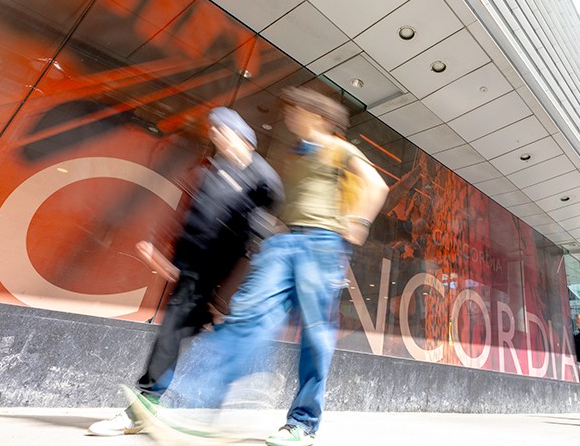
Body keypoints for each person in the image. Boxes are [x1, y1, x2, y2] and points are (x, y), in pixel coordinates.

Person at [137, 86, 390, 446]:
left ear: (316, 116)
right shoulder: (297, 155)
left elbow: (376, 185)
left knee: (316, 337)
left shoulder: (340, 149)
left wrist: (359, 222)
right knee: (247, 316)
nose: (288, 117)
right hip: (285, 243)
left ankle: (303, 424)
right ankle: (193, 406)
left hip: (322, 244)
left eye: (295, 111)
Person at [88, 107, 283, 436]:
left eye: (223, 129)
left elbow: (259, 234)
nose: (216, 133)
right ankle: (148, 406)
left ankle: (197, 407)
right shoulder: (209, 173)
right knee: (172, 335)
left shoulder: (264, 180)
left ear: (245, 138)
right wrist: (169, 260)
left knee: (206, 340)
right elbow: (190, 221)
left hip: (227, 280)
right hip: (194, 274)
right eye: (214, 129)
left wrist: (228, 293)